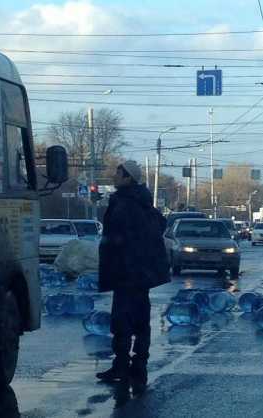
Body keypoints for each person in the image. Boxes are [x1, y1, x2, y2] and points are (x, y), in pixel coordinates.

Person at [96, 161, 170, 395]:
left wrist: (119, 266)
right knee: (140, 320)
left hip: (127, 273)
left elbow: (118, 240)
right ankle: (139, 365)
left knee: (122, 321)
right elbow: (159, 226)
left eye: (119, 173)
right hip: (142, 275)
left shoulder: (125, 204)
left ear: (128, 178)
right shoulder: (143, 203)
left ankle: (121, 366)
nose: (115, 176)